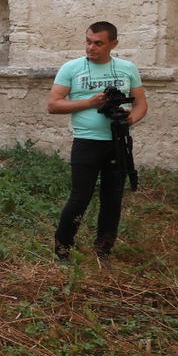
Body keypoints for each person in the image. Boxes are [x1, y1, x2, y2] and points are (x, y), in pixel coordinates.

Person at [47, 20, 147, 262]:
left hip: (117, 142)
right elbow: (53, 104)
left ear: (114, 43)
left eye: (98, 43)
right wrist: (89, 103)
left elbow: (141, 103)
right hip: (86, 142)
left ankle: (103, 250)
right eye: (88, 41)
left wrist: (130, 119)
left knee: (113, 198)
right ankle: (63, 249)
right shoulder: (71, 68)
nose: (91, 47)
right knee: (80, 197)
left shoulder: (127, 68)